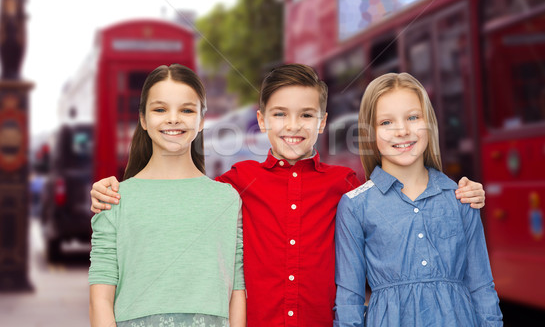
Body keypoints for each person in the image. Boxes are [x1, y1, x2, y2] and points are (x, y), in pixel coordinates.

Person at [89, 64, 486, 326]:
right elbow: (179, 198)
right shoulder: (234, 184)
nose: (292, 126)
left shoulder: (347, 186)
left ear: (323, 121)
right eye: (279, 114)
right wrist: (111, 192)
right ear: (262, 120)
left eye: (306, 115)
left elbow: (398, 205)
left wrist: (460, 192)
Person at [334, 73, 502, 326]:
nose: (402, 131)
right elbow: (349, 298)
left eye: (413, 117)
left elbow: (481, 286)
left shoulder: (460, 197)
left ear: (429, 124)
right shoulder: (355, 206)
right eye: (386, 122)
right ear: (370, 132)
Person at [88, 64, 246, 327]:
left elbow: (237, 292)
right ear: (143, 119)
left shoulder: (227, 200)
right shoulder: (115, 198)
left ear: (202, 120)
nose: (173, 119)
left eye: (186, 110)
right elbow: (100, 300)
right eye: (160, 109)